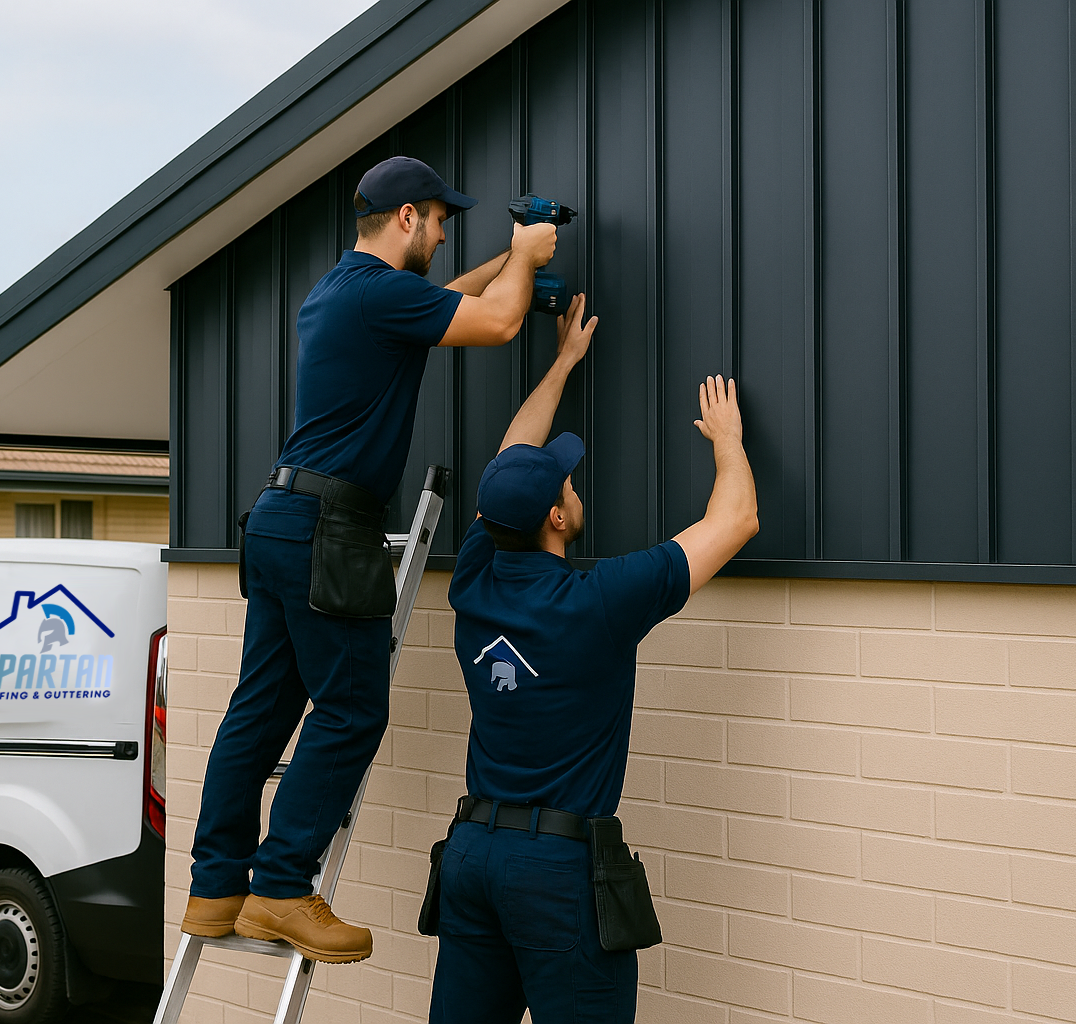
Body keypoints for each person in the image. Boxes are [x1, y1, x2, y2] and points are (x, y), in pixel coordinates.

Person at [182, 156, 561, 963]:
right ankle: (280, 888)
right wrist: (528, 259)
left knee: (259, 713)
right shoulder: (380, 296)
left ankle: (215, 889)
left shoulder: (340, 291)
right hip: (329, 527)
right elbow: (496, 323)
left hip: (280, 519)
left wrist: (510, 258)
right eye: (441, 219)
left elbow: (451, 300)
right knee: (352, 710)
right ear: (408, 218)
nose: (445, 233)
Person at [430, 294, 759, 1023]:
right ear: (556, 516)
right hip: (552, 873)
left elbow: (508, 463)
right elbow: (736, 519)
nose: (574, 489)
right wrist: (728, 439)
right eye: (567, 486)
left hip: (471, 857)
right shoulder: (597, 602)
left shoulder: (473, 580)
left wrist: (564, 362)